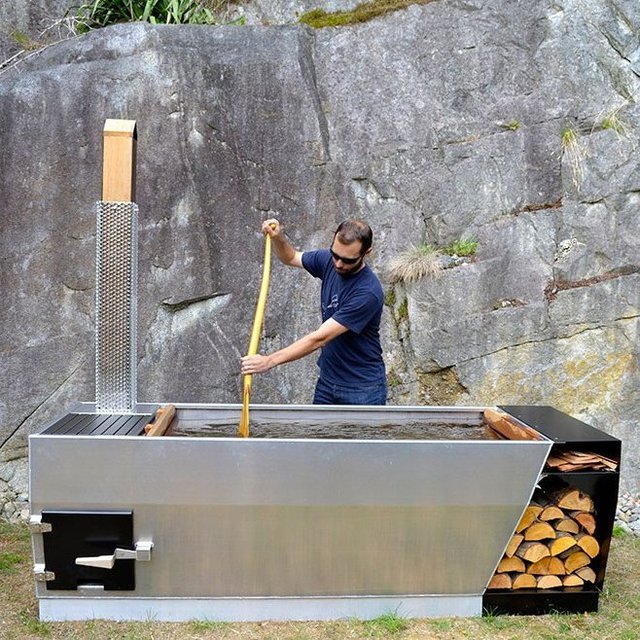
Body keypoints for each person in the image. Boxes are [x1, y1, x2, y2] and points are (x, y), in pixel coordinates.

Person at [240, 218, 387, 405]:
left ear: (367, 253)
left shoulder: (368, 292)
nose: (339, 264)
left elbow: (320, 338)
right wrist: (278, 238)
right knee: (319, 435)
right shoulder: (328, 260)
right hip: (327, 383)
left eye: (348, 260)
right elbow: (291, 257)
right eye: (335, 255)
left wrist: (269, 361)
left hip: (363, 390)